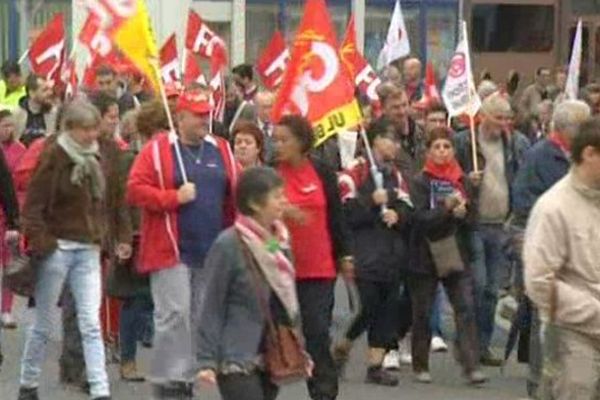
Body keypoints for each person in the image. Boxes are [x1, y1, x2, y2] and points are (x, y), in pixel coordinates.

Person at [127, 89, 237, 399]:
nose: (205, 120)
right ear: (180, 117)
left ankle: (184, 378)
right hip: (171, 248)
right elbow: (135, 190)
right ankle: (170, 383)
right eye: (198, 115)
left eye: (207, 114)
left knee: (199, 317)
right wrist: (172, 198)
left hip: (211, 249)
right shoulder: (158, 150)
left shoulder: (222, 150)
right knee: (173, 315)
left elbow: (234, 197)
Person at [18, 99, 112, 400]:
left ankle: (101, 389)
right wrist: (46, 243)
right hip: (58, 248)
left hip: (87, 248)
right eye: (86, 129)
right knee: (43, 324)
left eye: (94, 128)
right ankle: (28, 383)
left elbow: (102, 203)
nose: (92, 135)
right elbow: (32, 207)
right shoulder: (53, 157)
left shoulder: (95, 158)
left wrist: (101, 236)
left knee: (90, 322)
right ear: (70, 129)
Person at [196, 167, 308, 400]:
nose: (283, 202)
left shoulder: (276, 241)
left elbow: (281, 288)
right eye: (277, 196)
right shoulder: (228, 244)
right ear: (255, 203)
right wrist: (206, 360)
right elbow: (210, 302)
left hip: (271, 352)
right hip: (236, 356)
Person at [510, 99, 591, 399]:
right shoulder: (539, 156)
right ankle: (538, 381)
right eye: (586, 126)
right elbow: (523, 202)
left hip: (576, 251)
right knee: (543, 314)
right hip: (542, 243)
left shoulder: (579, 158)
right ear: (572, 130)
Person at [273, 115, 353, 400]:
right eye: (276, 139)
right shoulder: (270, 173)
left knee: (317, 332)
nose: (278, 145)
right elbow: (255, 220)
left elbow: (336, 216)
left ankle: (323, 392)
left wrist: (344, 255)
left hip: (318, 268)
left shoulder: (321, 171)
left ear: (302, 142)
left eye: (285, 140)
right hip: (279, 268)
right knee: (275, 335)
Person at [333, 122, 413, 387]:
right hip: (363, 251)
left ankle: (375, 365)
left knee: (388, 308)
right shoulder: (352, 174)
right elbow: (346, 214)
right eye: (391, 139)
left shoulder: (397, 176)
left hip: (390, 252)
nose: (396, 146)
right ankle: (343, 345)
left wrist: (397, 214)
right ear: (375, 141)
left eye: (398, 141)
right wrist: (371, 202)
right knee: (368, 305)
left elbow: (407, 206)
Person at [453, 93, 530, 366]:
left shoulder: (516, 144)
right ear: (483, 117)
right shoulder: (465, 142)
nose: (504, 124)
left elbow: (521, 179)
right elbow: (447, 177)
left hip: (502, 224)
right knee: (478, 283)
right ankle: (469, 342)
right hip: (474, 223)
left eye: (508, 118)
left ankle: (481, 345)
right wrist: (465, 179)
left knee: (492, 291)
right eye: (498, 118)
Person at [406, 126, 486, 385]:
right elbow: (419, 219)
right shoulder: (420, 181)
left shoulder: (462, 180)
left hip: (455, 251)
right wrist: (446, 209)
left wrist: (466, 211)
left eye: (447, 147)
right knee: (424, 311)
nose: (442, 152)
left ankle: (470, 364)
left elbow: (474, 219)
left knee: (464, 307)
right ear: (428, 151)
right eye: (437, 147)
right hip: (426, 253)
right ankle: (420, 363)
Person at [0, 110, 25, 329]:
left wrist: (15, 219)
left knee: (10, 263)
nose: (8, 129)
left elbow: (17, 184)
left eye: (10, 125)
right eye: (3, 125)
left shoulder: (20, 150)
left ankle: (6, 309)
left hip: (9, 212)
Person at [13, 74, 57, 147]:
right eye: (44, 90)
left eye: (50, 89)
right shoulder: (17, 113)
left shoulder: (53, 112)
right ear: (32, 93)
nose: (50, 93)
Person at [255, 91, 275, 162]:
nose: (267, 111)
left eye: (270, 107)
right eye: (264, 107)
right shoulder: (251, 127)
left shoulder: (281, 128)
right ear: (256, 108)